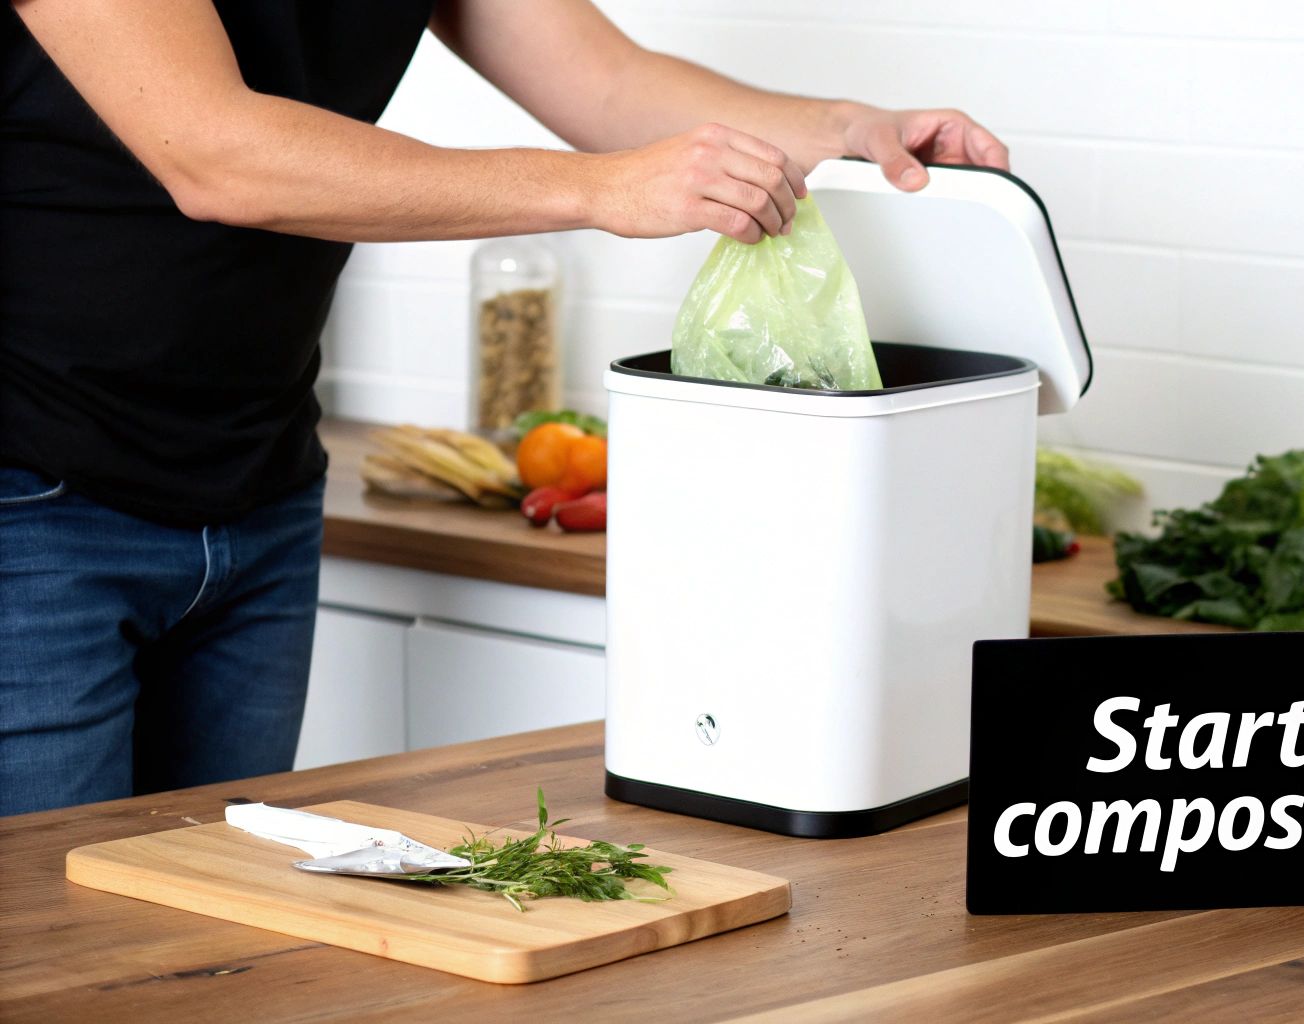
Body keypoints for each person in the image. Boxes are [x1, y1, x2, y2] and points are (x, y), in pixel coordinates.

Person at [0, 0, 1010, 816]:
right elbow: (216, 154)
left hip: (256, 479)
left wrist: (847, 132)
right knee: (47, 938)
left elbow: (607, 80)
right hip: (34, 494)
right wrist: (598, 191)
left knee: (206, 939)